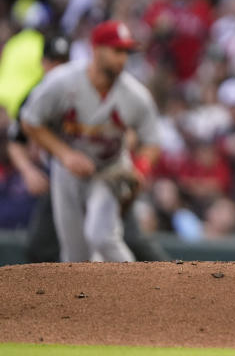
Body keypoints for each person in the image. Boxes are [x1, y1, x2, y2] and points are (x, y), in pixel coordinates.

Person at [20, 20, 162, 262]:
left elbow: (152, 141)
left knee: (102, 236)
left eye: (126, 52)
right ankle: (89, 300)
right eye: (116, 50)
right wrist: (64, 154)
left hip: (110, 170)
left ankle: (139, 291)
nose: (122, 59)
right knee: (74, 253)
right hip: (67, 172)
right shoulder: (62, 81)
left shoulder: (135, 95)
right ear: (96, 49)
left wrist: (140, 168)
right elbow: (30, 121)